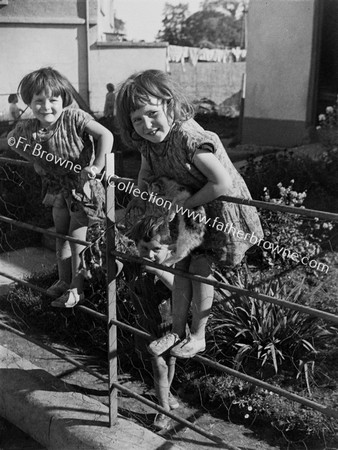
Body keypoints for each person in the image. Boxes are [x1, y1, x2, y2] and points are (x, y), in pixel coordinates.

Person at [115, 69, 264, 359]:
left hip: (217, 208)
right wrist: (141, 199)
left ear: (169, 105)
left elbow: (222, 183)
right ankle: (176, 331)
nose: (146, 124)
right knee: (179, 265)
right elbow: (146, 174)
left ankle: (198, 336)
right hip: (191, 206)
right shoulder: (147, 142)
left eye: (151, 113)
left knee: (199, 269)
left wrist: (183, 206)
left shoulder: (188, 138)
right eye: (137, 120)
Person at [7, 67, 113, 308]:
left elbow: (106, 135)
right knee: (60, 234)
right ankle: (64, 280)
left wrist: (97, 166)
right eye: (39, 101)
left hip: (83, 186)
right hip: (57, 188)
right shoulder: (30, 127)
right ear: (30, 103)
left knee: (77, 237)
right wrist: (34, 160)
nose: (46, 107)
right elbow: (13, 141)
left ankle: (79, 289)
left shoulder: (75, 117)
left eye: (53, 100)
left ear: (63, 100)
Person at [126, 215, 179, 430]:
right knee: (158, 365)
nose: (149, 254)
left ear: (170, 249)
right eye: (143, 248)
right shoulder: (135, 265)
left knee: (166, 364)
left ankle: (165, 401)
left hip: (170, 327)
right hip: (146, 324)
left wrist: (160, 271)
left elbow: (178, 288)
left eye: (156, 249)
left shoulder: (172, 266)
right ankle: (165, 402)